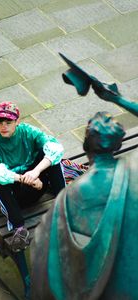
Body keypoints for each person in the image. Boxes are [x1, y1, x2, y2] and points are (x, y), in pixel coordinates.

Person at [31, 82, 138, 300]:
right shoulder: (134, 172)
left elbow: (44, 252)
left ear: (85, 146)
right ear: (117, 145)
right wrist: (118, 99)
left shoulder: (71, 196)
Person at [0, 101, 66, 252]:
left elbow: (55, 148)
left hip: (35, 185)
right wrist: (27, 179)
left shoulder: (28, 131)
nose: (3, 126)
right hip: (13, 198)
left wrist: (35, 172)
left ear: (17, 121)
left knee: (51, 156)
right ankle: (19, 229)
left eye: (8, 122)